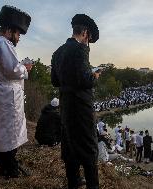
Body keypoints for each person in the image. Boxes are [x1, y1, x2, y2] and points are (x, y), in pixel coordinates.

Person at [51, 14, 100, 189]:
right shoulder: (80, 49)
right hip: (81, 106)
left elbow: (54, 81)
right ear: (85, 33)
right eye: (90, 39)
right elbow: (85, 80)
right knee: (88, 147)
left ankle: (74, 182)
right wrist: (94, 76)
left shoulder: (57, 52)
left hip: (66, 105)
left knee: (70, 144)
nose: (89, 43)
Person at [0, 5, 32, 178]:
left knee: (1, 130)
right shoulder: (4, 44)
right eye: (18, 34)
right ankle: (10, 167)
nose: (18, 38)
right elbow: (13, 69)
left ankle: (5, 164)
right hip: (7, 95)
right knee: (10, 131)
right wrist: (25, 68)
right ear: (10, 30)